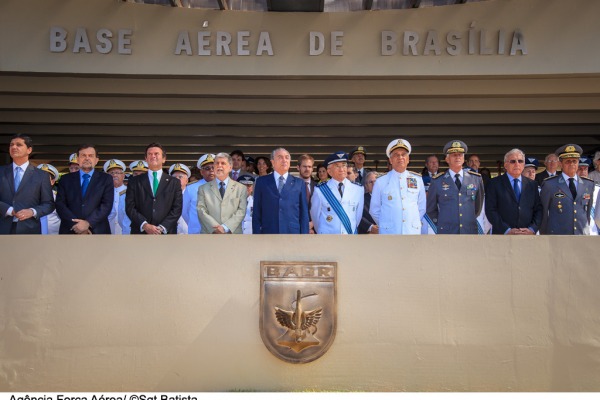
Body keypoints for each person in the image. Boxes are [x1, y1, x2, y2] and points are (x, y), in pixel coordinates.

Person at [426, 140, 484, 234]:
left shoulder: (476, 179)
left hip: (469, 231)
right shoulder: (437, 181)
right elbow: (431, 209)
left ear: (464, 158)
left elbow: (478, 207)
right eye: (454, 155)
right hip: (446, 232)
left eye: (460, 155)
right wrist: (441, 223)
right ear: (447, 159)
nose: (457, 157)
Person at [0, 134, 54, 235]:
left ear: (29, 150)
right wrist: (8, 209)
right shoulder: (1, 172)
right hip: (3, 227)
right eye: (11, 145)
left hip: (29, 230)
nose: (14, 147)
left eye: (19, 145)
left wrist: (32, 211)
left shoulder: (41, 175)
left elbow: (49, 204)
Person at [369, 139, 426, 235]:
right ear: (390, 160)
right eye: (396, 154)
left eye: (403, 154)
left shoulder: (417, 179)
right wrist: (386, 224)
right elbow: (374, 209)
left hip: (411, 231)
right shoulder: (381, 181)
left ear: (408, 159)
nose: (400, 157)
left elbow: (421, 207)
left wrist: (410, 222)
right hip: (389, 232)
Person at [125, 142, 182, 235]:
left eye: (156, 154)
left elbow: (177, 208)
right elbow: (130, 207)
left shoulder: (174, 182)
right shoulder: (135, 181)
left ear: (164, 159)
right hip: (141, 233)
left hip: (166, 233)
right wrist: (145, 225)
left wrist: (162, 228)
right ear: (146, 159)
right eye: (150, 154)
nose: (153, 156)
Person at [55, 144, 113, 234]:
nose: (87, 158)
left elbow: (106, 205)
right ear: (78, 159)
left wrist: (87, 223)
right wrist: (76, 225)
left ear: (96, 160)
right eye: (83, 155)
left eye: (90, 156)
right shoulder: (65, 179)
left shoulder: (106, 179)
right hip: (71, 230)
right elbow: (60, 204)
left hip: (97, 231)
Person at [540, 144, 596, 235]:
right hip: (558, 236)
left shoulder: (588, 184)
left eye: (574, 161)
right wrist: (544, 235)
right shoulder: (550, 184)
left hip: (581, 234)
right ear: (560, 164)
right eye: (568, 161)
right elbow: (543, 213)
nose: (572, 164)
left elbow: (588, 212)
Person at [252, 148, 310, 234]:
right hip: (268, 233)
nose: (284, 160)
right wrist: (256, 234)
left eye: (287, 157)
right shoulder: (262, 182)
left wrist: (304, 236)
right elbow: (257, 211)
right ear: (272, 162)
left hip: (292, 233)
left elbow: (304, 213)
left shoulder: (299, 183)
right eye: (280, 157)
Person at [485, 149, 542, 235]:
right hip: (502, 235)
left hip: (527, 235)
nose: (517, 164)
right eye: (513, 161)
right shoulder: (494, 184)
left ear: (523, 165)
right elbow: (490, 210)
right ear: (505, 165)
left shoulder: (532, 185)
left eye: (520, 161)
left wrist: (532, 229)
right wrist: (506, 230)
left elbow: (538, 209)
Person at [311, 151, 364, 234]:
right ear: (329, 171)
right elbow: (315, 217)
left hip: (349, 237)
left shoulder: (358, 189)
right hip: (328, 239)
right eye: (337, 166)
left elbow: (358, 217)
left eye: (344, 165)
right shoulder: (320, 190)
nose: (341, 169)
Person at [197, 152, 247, 234]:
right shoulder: (203, 189)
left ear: (230, 167)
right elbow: (201, 211)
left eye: (223, 163)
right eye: (217, 163)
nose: (219, 166)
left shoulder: (241, 188)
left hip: (233, 235)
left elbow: (241, 211)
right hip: (210, 234)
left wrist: (225, 227)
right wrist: (216, 228)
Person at [182, 153, 215, 234]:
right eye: (207, 168)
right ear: (201, 172)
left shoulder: (224, 187)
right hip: (197, 233)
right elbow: (184, 212)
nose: (211, 170)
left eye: (214, 168)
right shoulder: (191, 188)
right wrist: (194, 224)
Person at [117, 160, 148, 234]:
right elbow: (120, 217)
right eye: (135, 174)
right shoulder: (124, 195)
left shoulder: (153, 194)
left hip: (147, 233)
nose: (138, 177)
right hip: (128, 233)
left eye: (142, 174)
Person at [103, 159, 127, 234]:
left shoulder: (130, 191)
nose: (114, 175)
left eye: (117, 173)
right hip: (107, 231)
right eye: (111, 173)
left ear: (123, 175)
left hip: (126, 232)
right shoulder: (103, 193)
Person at [37, 164, 61, 235]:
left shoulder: (59, 198)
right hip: (33, 238)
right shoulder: (28, 197)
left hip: (54, 238)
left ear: (52, 181)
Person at [169, 163, 191, 234]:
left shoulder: (193, 195)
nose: (177, 179)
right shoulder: (165, 196)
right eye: (174, 177)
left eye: (180, 177)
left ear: (187, 181)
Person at [358, 170, 379, 234]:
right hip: (368, 236)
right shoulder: (361, 199)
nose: (374, 184)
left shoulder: (388, 198)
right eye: (370, 182)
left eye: (376, 181)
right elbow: (357, 215)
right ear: (366, 186)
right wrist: (370, 227)